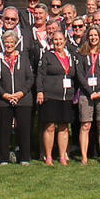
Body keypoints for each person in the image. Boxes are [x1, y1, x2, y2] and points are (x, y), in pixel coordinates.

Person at [0, 31, 35, 165]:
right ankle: (3, 157)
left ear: (16, 43)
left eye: (12, 42)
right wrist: (5, 95)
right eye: (7, 42)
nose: (9, 45)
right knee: (4, 129)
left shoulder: (23, 57)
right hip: (4, 99)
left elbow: (30, 78)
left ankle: (24, 157)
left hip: (23, 99)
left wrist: (20, 93)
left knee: (24, 129)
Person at [36, 30, 77, 166]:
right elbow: (40, 75)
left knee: (64, 127)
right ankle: (48, 156)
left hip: (67, 96)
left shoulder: (70, 56)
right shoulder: (47, 56)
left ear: (65, 41)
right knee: (50, 126)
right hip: (50, 95)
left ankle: (62, 156)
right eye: (55, 40)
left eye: (60, 40)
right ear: (52, 42)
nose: (58, 42)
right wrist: (40, 91)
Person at [74, 26, 100, 164]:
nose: (93, 38)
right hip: (86, 94)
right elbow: (79, 74)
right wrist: (90, 92)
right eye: (90, 35)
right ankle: (84, 157)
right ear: (87, 37)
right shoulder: (81, 54)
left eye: (95, 35)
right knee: (85, 125)